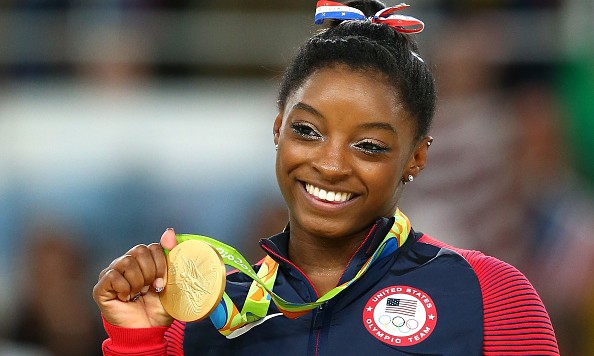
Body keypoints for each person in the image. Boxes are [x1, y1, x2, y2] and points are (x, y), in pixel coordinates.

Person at [93, 1, 559, 354]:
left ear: (417, 158)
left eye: (369, 146)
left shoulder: (489, 298)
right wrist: (140, 340)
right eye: (308, 131)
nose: (332, 165)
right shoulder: (199, 312)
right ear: (278, 128)